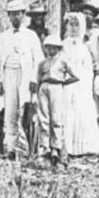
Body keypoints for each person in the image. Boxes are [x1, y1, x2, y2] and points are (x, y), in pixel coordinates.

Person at [0, 0, 44, 158]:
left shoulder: (31, 35)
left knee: (26, 109)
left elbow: (38, 59)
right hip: (8, 75)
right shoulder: (3, 36)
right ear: (8, 16)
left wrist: (34, 78)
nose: (16, 17)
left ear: (23, 15)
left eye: (19, 14)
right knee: (10, 111)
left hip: (26, 76)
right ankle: (11, 147)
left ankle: (28, 148)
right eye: (13, 14)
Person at [61, 12, 99, 155]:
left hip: (81, 84)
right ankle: (67, 147)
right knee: (66, 111)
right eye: (70, 24)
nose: (73, 28)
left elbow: (88, 69)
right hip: (66, 83)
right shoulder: (62, 46)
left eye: (76, 25)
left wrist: (82, 82)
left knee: (82, 110)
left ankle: (83, 148)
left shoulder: (84, 47)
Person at [35, 34, 79, 168]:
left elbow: (75, 76)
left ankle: (56, 146)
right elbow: (38, 78)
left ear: (59, 49)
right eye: (49, 48)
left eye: (54, 48)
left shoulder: (63, 61)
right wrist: (38, 91)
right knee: (44, 118)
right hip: (44, 87)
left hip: (56, 88)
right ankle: (45, 146)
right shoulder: (42, 62)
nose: (51, 51)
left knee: (56, 118)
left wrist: (62, 82)